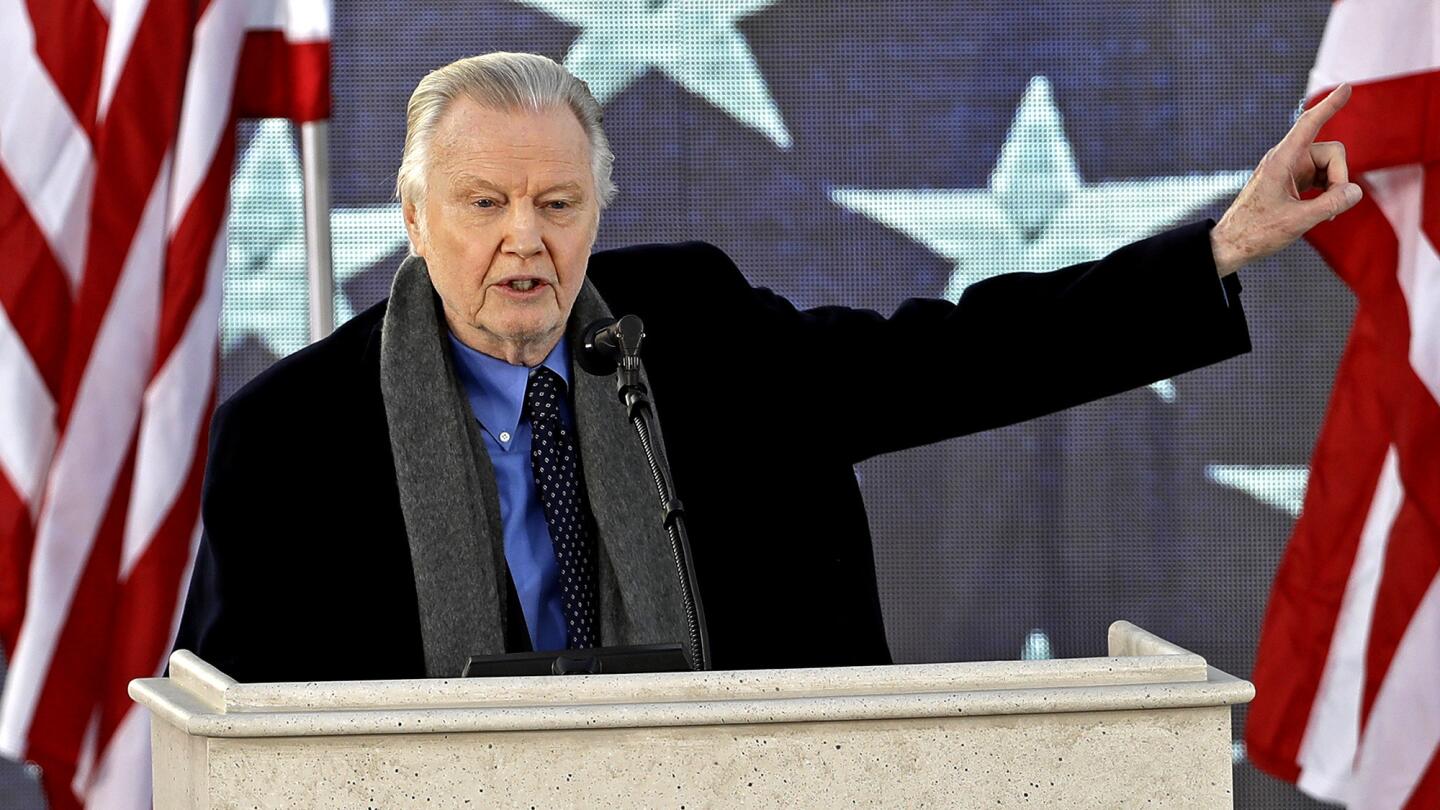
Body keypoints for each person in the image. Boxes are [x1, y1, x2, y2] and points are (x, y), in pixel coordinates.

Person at [173, 52, 1361, 683]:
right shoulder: (293, 433)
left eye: (558, 202)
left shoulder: (693, 329)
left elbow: (952, 362)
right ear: (414, 219)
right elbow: (239, 728)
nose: (523, 239)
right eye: (483, 203)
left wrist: (1217, 247)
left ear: (600, 212)